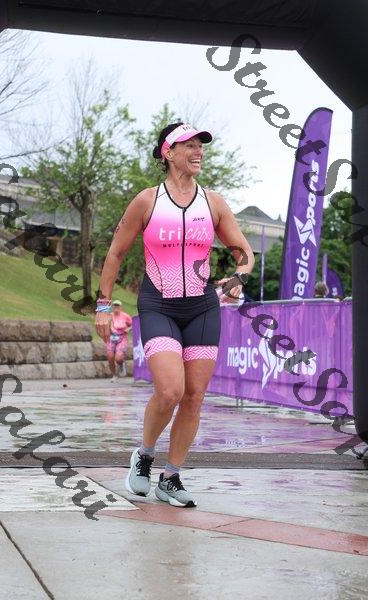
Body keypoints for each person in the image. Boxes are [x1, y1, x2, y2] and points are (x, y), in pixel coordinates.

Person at [95, 122, 254, 507]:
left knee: (194, 396)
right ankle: (144, 455)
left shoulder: (213, 203)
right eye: (190, 145)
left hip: (202, 307)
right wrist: (102, 305)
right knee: (170, 391)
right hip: (159, 305)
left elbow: (244, 254)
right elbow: (115, 253)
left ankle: (171, 477)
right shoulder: (147, 201)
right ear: (168, 152)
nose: (199, 151)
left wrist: (238, 278)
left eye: (201, 145)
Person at [106, 300, 132, 381]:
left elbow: (132, 324)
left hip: (122, 338)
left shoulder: (125, 316)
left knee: (118, 358)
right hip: (111, 338)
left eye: (118, 306)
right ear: (112, 307)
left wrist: (128, 329)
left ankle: (121, 364)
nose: (116, 307)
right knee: (110, 356)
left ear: (120, 307)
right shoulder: (109, 316)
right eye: (115, 306)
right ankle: (114, 375)